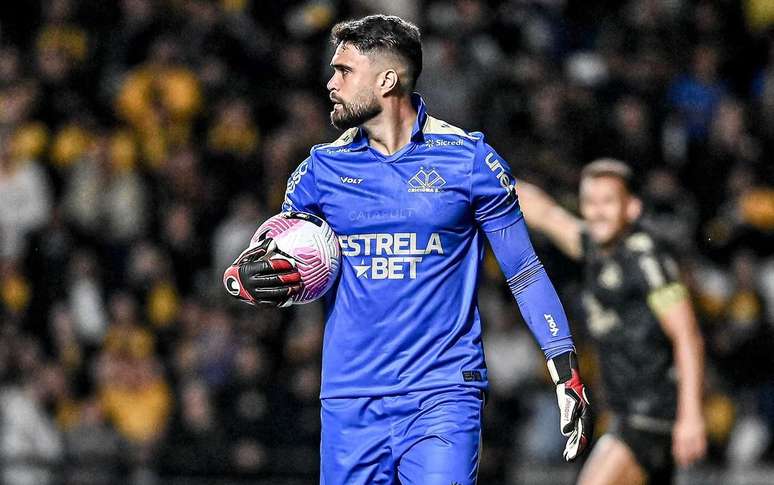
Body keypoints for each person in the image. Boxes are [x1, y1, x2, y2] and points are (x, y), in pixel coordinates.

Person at [224, 15, 592, 484]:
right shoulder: (319, 170)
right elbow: (290, 259)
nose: (330, 82)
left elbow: (523, 270)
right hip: (349, 401)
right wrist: (258, 278)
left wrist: (563, 363)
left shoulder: (469, 159)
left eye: (344, 71)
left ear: (387, 80)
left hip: (443, 395)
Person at [517, 160, 707, 485]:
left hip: (651, 416)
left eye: (608, 202)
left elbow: (687, 336)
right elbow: (546, 213)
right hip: (625, 414)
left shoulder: (646, 259)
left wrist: (690, 417)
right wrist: (480, 167)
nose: (597, 212)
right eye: (589, 202)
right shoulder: (594, 248)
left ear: (631, 207)